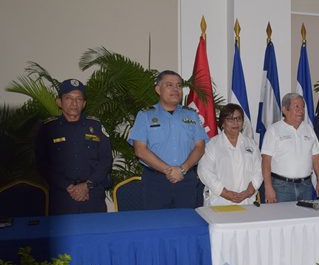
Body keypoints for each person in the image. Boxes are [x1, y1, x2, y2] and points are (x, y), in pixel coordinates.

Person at [128, 70, 207, 209]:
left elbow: (200, 147)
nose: (176, 89)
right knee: (156, 221)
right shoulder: (145, 115)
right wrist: (168, 170)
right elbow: (140, 150)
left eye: (179, 85)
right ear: (158, 89)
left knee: (186, 220)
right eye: (169, 85)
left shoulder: (191, 115)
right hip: (155, 181)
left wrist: (182, 169)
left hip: (186, 180)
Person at [36, 79, 112, 215]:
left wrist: (87, 185)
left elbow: (106, 159)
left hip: (93, 194)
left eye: (78, 99)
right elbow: (42, 163)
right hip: (62, 196)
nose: (74, 103)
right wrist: (68, 186)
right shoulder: (48, 129)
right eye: (68, 98)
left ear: (84, 104)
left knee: (95, 228)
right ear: (59, 102)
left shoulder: (96, 126)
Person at [261, 93, 319, 203]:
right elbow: (266, 161)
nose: (301, 110)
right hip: (281, 187)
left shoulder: (309, 129)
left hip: (306, 186)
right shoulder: (274, 130)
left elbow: (316, 157)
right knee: (282, 215)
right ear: (284, 110)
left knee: (305, 214)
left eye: (303, 107)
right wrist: (268, 187)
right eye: (296, 107)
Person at [197, 104, 262, 205]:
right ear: (222, 123)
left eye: (238, 118)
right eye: (230, 119)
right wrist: (225, 193)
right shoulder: (212, 145)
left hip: (247, 200)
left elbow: (259, 170)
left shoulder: (251, 144)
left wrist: (249, 191)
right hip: (220, 201)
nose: (235, 122)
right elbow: (205, 171)